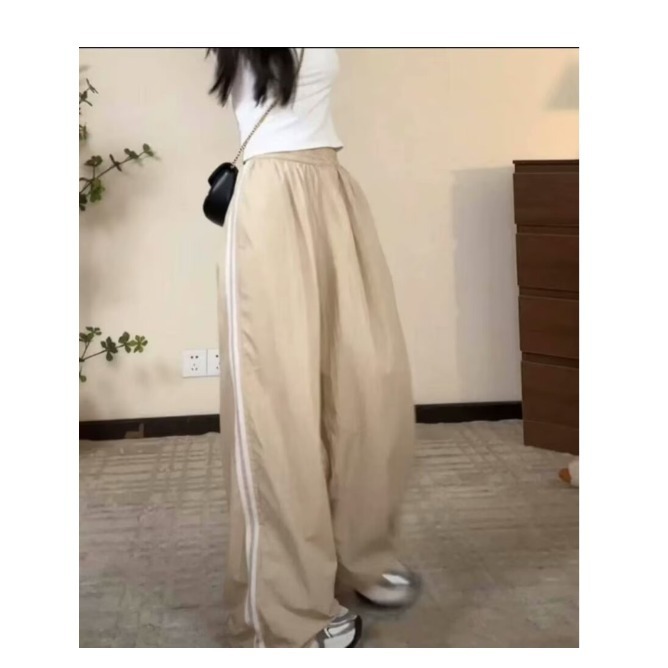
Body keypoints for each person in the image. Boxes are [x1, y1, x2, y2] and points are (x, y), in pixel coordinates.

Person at [210, 47, 417, 649]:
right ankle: (283, 613)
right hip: (271, 197)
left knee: (363, 385)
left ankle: (359, 557)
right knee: (278, 407)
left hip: (331, 185)